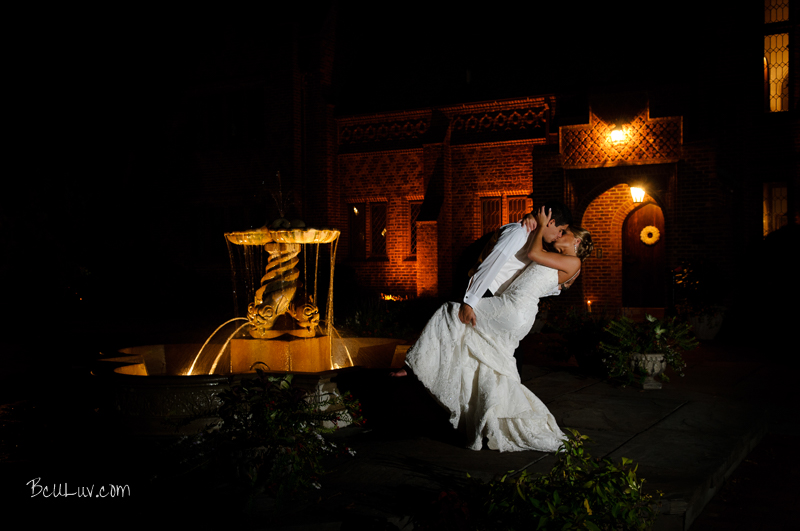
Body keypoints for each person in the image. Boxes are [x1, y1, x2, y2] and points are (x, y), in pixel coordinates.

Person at [392, 207, 593, 452]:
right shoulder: (561, 257)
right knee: (493, 365)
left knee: (452, 312)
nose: (560, 234)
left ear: (577, 240)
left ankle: (416, 366)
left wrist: (540, 225)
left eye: (565, 232)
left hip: (513, 309)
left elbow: (533, 252)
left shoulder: (572, 261)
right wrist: (531, 221)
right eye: (560, 229)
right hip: (516, 311)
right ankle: (490, 424)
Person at [458, 201, 573, 328]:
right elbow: (491, 264)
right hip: (482, 293)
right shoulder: (519, 232)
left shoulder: (534, 240)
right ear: (551, 223)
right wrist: (469, 303)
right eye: (560, 230)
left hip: (495, 300)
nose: (559, 236)